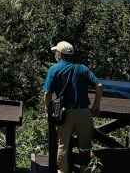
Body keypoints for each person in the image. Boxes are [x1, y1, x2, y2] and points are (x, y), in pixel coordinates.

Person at [43, 41, 102, 173]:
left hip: (65, 113)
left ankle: (63, 171)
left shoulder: (54, 69)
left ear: (59, 54)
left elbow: (47, 94)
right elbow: (99, 86)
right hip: (84, 113)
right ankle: (85, 171)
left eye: (56, 52)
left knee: (63, 145)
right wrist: (96, 105)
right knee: (85, 148)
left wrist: (47, 109)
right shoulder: (83, 68)